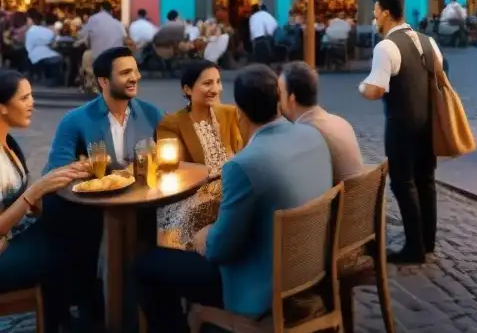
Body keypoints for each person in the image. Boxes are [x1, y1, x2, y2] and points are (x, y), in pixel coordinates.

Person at [135, 64, 332, 331]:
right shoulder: (311, 135)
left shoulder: (244, 165)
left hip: (258, 283)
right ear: (280, 100)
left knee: (146, 266)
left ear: (238, 110)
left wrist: (206, 235)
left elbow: (219, 250)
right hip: (310, 266)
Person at [42, 46, 164, 324]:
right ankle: (89, 308)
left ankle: (142, 302)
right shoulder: (75, 120)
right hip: (85, 207)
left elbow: (170, 155)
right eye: (125, 73)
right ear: (103, 81)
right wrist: (91, 173)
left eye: (135, 70)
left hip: (137, 202)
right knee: (82, 235)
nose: (135, 77)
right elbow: (59, 170)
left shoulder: (151, 114)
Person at [0, 70, 89, 333]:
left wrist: (62, 177)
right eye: (24, 97)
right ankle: (60, 319)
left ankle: (74, 311)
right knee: (62, 250)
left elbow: (26, 205)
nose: (32, 103)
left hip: (14, 236)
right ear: (2, 107)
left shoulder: (8, 143)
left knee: (75, 218)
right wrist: (37, 190)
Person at [359, 0, 441, 264]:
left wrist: (361, 87)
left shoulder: (386, 46)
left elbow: (375, 90)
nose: (373, 16)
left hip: (401, 124)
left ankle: (414, 247)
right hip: (428, 123)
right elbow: (440, 74)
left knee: (403, 184)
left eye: (375, 11)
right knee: (426, 180)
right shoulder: (428, 41)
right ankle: (428, 240)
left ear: (385, 13)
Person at [156, 59, 245, 248]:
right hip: (192, 193)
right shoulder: (171, 123)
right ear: (187, 90)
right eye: (207, 83)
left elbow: (245, 151)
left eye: (218, 82)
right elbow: (170, 170)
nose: (216, 89)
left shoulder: (230, 114)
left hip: (229, 187)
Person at [279, 61, 365, 183]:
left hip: (340, 200)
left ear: (291, 99)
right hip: (359, 198)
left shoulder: (306, 135)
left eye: (280, 93)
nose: (278, 100)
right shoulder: (340, 121)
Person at [24, 8, 63, 87]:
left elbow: (28, 48)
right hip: (55, 56)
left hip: (38, 58)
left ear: (31, 20)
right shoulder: (47, 30)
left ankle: (37, 78)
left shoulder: (30, 31)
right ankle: (54, 80)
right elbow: (55, 40)